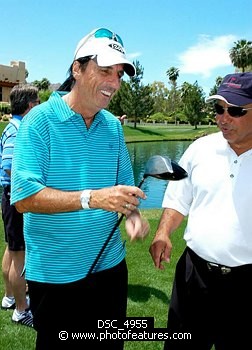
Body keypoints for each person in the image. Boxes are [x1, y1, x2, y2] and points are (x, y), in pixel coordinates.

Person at [10, 27, 149, 349]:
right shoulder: (39, 121)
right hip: (56, 275)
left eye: (118, 74)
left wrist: (133, 214)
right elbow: (24, 197)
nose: (114, 83)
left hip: (111, 267)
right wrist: (92, 198)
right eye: (104, 71)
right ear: (77, 68)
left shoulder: (112, 126)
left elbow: (124, 189)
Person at [149, 72, 252, 350]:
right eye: (219, 109)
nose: (223, 118)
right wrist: (163, 232)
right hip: (194, 277)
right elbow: (178, 198)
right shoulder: (200, 149)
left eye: (236, 110)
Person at [1, 83, 39, 328]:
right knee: (19, 254)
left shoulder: (12, 127)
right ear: (29, 106)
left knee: (12, 249)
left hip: (8, 196)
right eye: (36, 103)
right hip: (16, 198)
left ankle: (9, 297)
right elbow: (9, 166)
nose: (38, 106)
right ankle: (21, 311)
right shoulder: (17, 131)